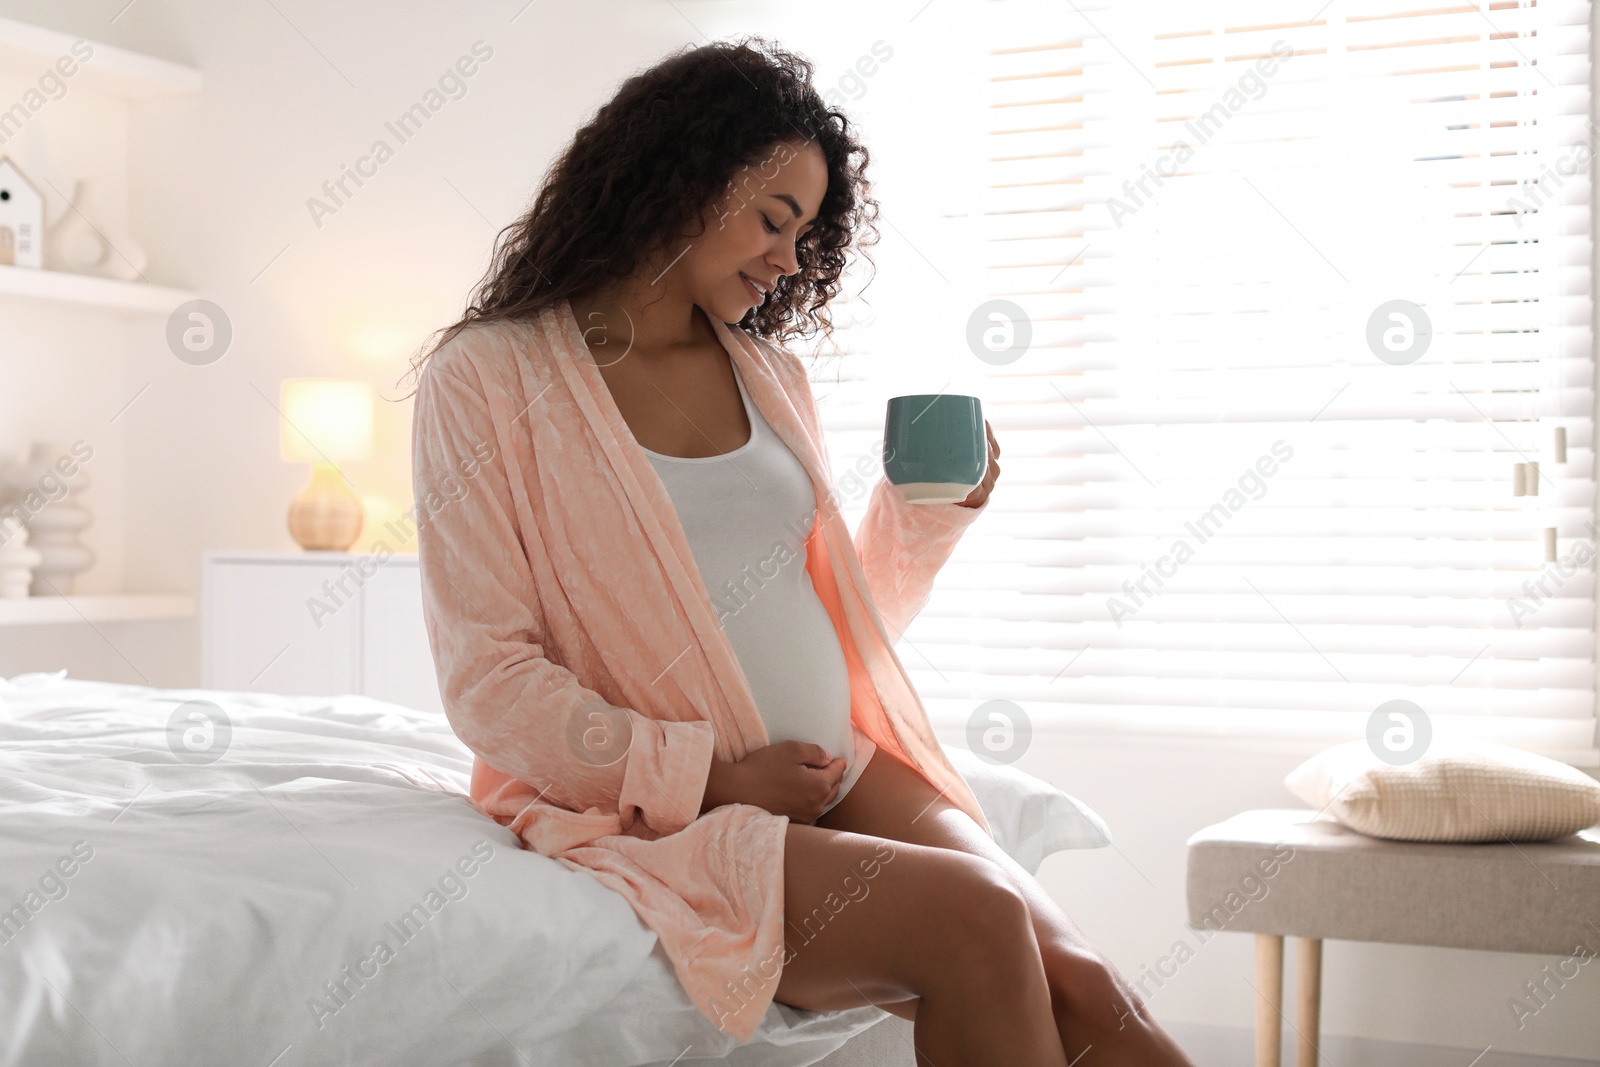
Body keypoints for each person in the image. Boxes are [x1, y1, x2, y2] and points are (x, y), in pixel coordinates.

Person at [403, 35, 1194, 1066]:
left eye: (805, 233)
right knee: (977, 916)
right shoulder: (490, 377)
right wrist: (712, 779)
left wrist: (926, 513)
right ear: (679, 179)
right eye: (774, 220)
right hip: (659, 811)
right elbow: (487, 681)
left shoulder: (769, 376)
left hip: (838, 762)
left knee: (1088, 982)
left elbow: (831, 612)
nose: (787, 260)